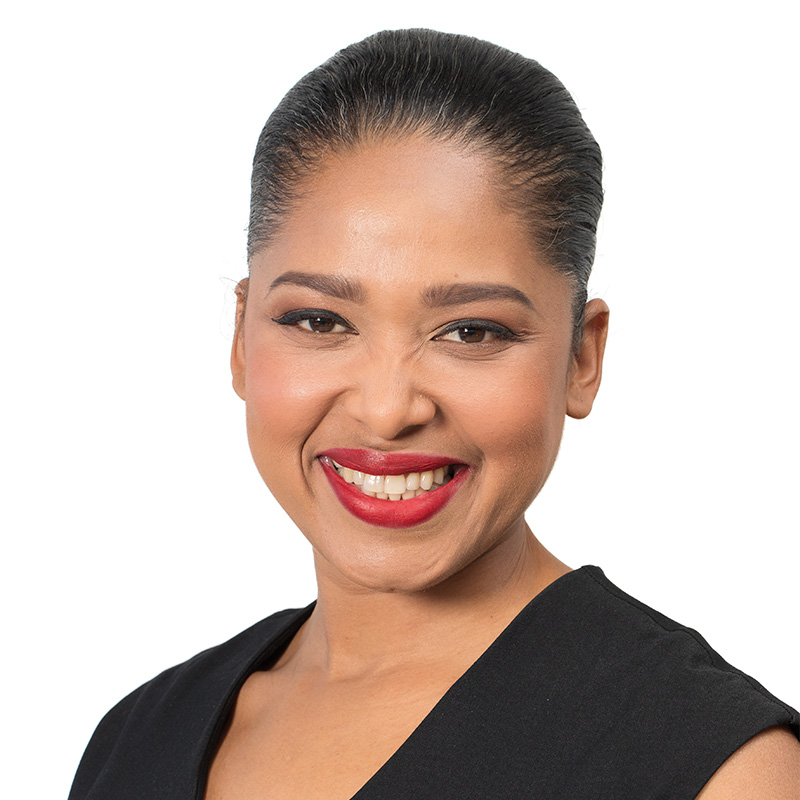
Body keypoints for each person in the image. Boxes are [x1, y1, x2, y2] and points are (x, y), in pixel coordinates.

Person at [68, 29, 799, 800]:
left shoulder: (721, 771)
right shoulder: (136, 740)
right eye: (320, 321)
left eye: (471, 332)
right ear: (242, 338)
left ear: (582, 359)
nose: (387, 411)